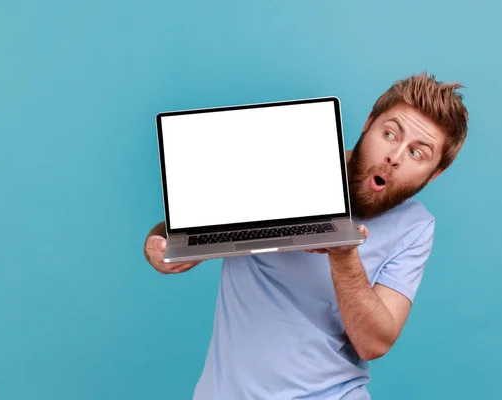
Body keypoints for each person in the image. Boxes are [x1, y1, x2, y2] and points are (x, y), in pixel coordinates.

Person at [143, 72, 469, 399]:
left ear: (435, 172)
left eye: (417, 153)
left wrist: (344, 256)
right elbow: (181, 228)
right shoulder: (289, 165)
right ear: (368, 123)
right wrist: (157, 246)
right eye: (389, 134)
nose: (394, 157)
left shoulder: (416, 226)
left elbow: (373, 343)